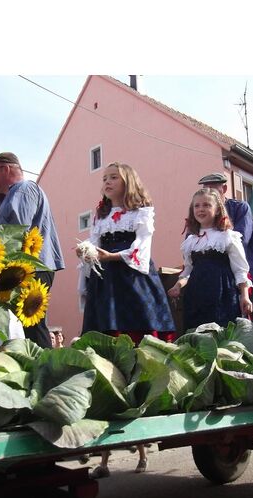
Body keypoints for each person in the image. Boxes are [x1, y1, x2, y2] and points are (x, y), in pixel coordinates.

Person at [77, 161, 176, 478]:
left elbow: (141, 249)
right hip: (106, 287)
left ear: (127, 182)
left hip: (132, 285)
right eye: (104, 178)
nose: (106, 181)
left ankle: (142, 443)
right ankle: (105, 455)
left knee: (134, 360)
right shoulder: (101, 217)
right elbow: (94, 245)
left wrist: (110, 256)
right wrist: (87, 254)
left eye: (113, 177)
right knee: (106, 361)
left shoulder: (141, 213)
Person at [0, 152, 65, 348]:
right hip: (31, 267)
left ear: (6, 169)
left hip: (31, 268)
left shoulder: (23, 189)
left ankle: (44, 365)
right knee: (26, 325)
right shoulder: (19, 193)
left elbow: (16, 232)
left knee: (32, 326)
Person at [168, 188, 253, 330]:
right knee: (197, 332)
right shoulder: (191, 241)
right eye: (197, 206)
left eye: (207, 205)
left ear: (218, 210)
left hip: (222, 293)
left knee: (221, 331)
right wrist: (177, 286)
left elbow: (240, 270)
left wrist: (245, 296)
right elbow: (188, 270)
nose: (201, 209)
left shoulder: (228, 237)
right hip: (196, 294)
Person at [197, 172, 253, 320]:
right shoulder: (201, 213)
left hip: (239, 274)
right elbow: (193, 238)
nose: (209, 194)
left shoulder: (240, 208)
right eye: (206, 190)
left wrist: (210, 251)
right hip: (211, 278)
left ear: (224, 189)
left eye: (213, 189)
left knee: (242, 320)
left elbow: (241, 239)